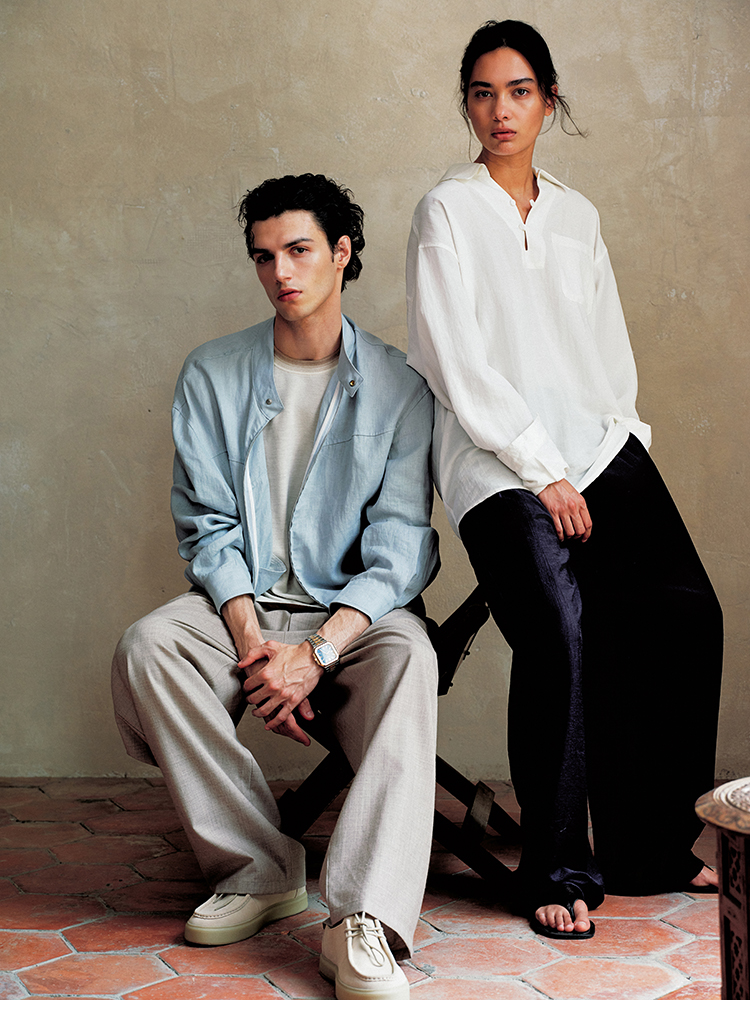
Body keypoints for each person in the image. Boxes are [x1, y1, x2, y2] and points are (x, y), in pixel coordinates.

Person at [406, 19, 723, 940]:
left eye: (518, 92)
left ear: (548, 100)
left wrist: (623, 446)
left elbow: (606, 351)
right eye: (482, 93)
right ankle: (556, 865)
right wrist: (541, 470)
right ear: (467, 104)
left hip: (594, 445)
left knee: (684, 611)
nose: (499, 111)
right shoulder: (446, 211)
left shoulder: (578, 217)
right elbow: (453, 360)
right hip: (491, 460)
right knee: (558, 627)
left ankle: (650, 846)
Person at [112, 173, 439, 1000]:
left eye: (298, 250)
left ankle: (364, 917)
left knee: (413, 655)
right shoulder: (211, 373)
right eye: (264, 257)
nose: (280, 273)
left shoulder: (401, 386)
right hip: (245, 608)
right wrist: (258, 647)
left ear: (342, 252)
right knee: (150, 645)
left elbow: (401, 547)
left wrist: (318, 652)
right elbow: (207, 527)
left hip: (353, 616)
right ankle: (259, 866)